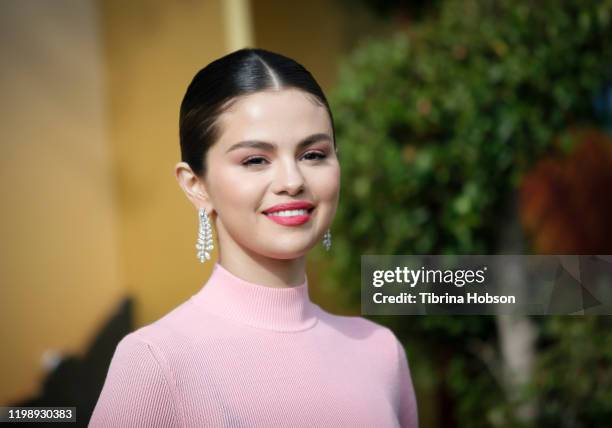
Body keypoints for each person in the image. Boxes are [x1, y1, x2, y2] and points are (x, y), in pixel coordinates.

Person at [89, 48, 418, 428]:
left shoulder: (380, 352)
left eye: (313, 154)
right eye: (255, 160)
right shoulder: (157, 362)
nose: (292, 181)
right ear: (196, 185)